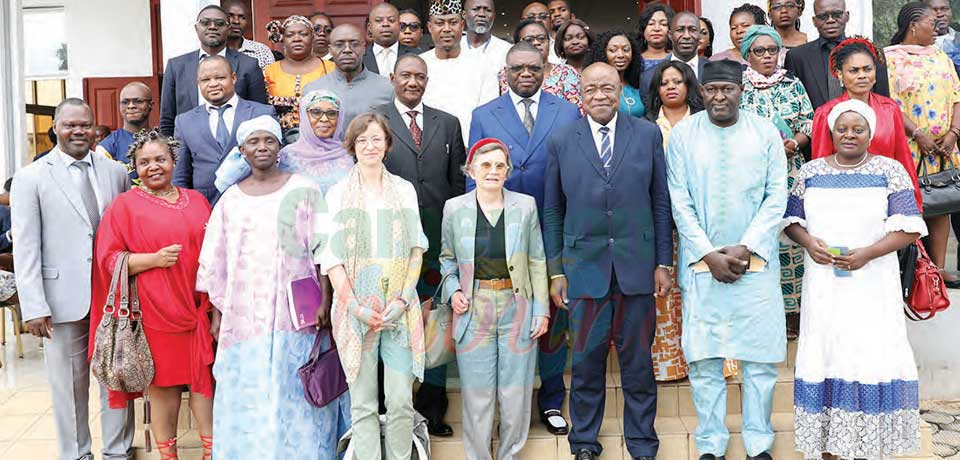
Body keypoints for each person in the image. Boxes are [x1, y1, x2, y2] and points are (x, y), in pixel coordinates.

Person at [197, 116, 349, 459]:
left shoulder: (304, 189)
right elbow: (215, 263)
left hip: (296, 314)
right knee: (247, 392)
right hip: (244, 316)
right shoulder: (230, 201)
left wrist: (326, 299)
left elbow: (325, 246)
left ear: (280, 147)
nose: (262, 147)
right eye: (254, 142)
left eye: (269, 141)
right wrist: (218, 315)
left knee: (294, 388)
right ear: (242, 151)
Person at [544, 62, 672, 460]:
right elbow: (552, 209)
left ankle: (642, 444)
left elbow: (660, 202)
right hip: (584, 269)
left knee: (637, 363)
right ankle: (583, 442)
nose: (600, 95)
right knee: (585, 362)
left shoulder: (647, 134)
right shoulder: (562, 139)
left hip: (637, 267)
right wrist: (556, 269)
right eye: (591, 89)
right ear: (579, 94)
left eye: (607, 88)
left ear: (621, 91)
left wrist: (663, 263)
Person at [784, 100, 924, 460]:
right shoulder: (810, 172)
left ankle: (869, 446)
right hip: (824, 284)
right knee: (826, 353)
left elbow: (910, 228)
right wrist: (809, 243)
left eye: (858, 129)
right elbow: (791, 222)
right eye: (842, 128)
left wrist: (868, 253)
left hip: (873, 284)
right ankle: (827, 447)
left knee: (870, 354)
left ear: (870, 133)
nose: (849, 134)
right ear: (831, 132)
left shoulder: (889, 171)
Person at [666, 60, 788, 460]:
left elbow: (776, 197)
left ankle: (758, 443)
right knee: (704, 359)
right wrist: (707, 253)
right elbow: (678, 200)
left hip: (755, 263)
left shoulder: (765, 132)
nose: (719, 97)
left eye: (727, 89)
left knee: (759, 360)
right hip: (702, 266)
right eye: (712, 90)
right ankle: (711, 444)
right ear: (700, 92)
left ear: (741, 91)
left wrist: (746, 246)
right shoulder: (684, 135)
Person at [12, 98, 134, 460]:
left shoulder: (116, 173)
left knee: (116, 376)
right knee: (69, 384)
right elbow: (27, 246)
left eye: (86, 124)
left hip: (113, 295)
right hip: (61, 297)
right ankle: (77, 454)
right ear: (55, 128)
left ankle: (117, 451)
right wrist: (33, 305)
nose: (78, 131)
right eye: (70, 125)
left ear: (96, 127)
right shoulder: (31, 176)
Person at [472, 41, 581, 437]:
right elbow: (475, 173)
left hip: (555, 225)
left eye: (533, 68)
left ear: (546, 69)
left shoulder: (567, 111)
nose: (525, 74)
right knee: (507, 316)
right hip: (501, 230)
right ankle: (506, 405)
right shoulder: (484, 114)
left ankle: (552, 400)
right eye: (516, 68)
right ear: (506, 71)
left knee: (552, 312)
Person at [90, 130, 215, 460]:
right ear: (134, 167)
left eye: (160, 159)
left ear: (174, 161)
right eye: (144, 162)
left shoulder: (198, 200)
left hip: (198, 308)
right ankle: (168, 455)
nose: (153, 167)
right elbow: (108, 259)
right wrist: (153, 260)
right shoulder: (124, 206)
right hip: (153, 312)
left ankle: (211, 451)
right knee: (164, 386)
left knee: (205, 382)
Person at [322, 112, 427, 460]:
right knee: (363, 402)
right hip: (355, 309)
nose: (370, 145)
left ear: (387, 144)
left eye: (376, 139)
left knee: (400, 400)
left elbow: (416, 249)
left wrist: (401, 299)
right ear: (352, 146)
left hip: (399, 308)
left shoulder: (404, 190)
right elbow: (331, 258)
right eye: (362, 140)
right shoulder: (337, 193)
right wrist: (356, 306)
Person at [439, 138, 549, 460]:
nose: (493, 171)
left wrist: (541, 311)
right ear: (471, 170)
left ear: (508, 171)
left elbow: (537, 261)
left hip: (517, 307)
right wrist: (454, 291)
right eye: (485, 165)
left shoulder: (525, 205)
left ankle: (509, 455)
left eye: (500, 165)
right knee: (478, 396)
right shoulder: (454, 208)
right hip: (474, 309)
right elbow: (446, 259)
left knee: (514, 395)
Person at [375, 54, 467, 437]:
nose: (413, 82)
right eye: (406, 76)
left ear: (427, 81)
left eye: (420, 77)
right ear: (393, 78)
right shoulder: (375, 120)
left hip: (435, 242)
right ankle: (387, 406)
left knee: (434, 321)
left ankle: (433, 408)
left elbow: (457, 185)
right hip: (389, 242)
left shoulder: (447, 122)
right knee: (387, 320)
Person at [739, 25, 815, 322]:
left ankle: (794, 315)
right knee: (760, 237)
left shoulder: (793, 84)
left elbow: (809, 121)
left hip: (791, 171)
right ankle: (764, 312)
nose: (768, 56)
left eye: (773, 50)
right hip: (753, 176)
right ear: (748, 55)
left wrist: (795, 143)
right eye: (760, 51)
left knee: (792, 236)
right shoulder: (738, 87)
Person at [886, 1, 960, 288]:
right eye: (932, 21)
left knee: (941, 203)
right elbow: (891, 103)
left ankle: (937, 272)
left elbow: (957, 96)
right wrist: (918, 133)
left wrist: (954, 132)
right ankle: (914, 272)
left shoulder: (940, 56)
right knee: (910, 207)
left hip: (944, 148)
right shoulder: (890, 59)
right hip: (910, 145)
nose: (938, 25)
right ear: (913, 26)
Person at [644, 60, 706, 383]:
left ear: (688, 87)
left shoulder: (707, 124)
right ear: (656, 90)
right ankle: (669, 366)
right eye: (664, 82)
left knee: (700, 289)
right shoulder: (646, 126)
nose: (671, 87)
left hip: (701, 219)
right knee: (666, 290)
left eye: (678, 81)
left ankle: (708, 362)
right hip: (660, 218)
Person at [809, 39, 917, 197]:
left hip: (887, 195)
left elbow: (903, 159)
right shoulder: (826, 114)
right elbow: (820, 166)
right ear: (839, 74)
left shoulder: (890, 109)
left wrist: (914, 205)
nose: (862, 76)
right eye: (854, 71)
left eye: (867, 69)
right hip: (842, 196)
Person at [172, 55, 277, 205]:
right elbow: (180, 175)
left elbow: (277, 162)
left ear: (233, 78)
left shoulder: (262, 113)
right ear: (198, 83)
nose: (213, 84)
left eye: (220, 77)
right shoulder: (184, 121)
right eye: (205, 80)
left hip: (256, 203)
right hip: (206, 206)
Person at [159, 5, 266, 136]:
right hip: (190, 149)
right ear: (196, 28)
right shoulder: (176, 66)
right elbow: (167, 119)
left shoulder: (249, 64)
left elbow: (260, 114)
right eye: (205, 22)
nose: (212, 27)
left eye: (219, 23)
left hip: (238, 147)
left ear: (228, 28)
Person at [784, 0, 892, 110]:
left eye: (837, 14)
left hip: (866, 124)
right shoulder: (797, 57)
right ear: (814, 21)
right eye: (823, 16)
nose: (830, 20)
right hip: (815, 124)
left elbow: (883, 102)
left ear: (847, 16)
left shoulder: (869, 52)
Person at [420, 0, 499, 146]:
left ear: (462, 25)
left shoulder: (483, 63)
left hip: (471, 147)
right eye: (439, 23)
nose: (447, 29)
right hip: (429, 149)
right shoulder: (420, 64)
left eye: (453, 22)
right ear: (430, 27)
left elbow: (488, 113)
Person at [303, 24, 395, 128]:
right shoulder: (313, 90)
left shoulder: (387, 89)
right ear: (330, 50)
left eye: (354, 44)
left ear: (364, 48)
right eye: (339, 45)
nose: (347, 50)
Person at [263, 15, 336, 138]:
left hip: (323, 140)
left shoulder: (331, 68)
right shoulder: (269, 71)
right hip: (279, 142)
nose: (297, 38)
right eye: (290, 35)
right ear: (283, 39)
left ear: (312, 37)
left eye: (303, 34)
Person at [499, 19, 583, 112]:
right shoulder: (505, 75)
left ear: (549, 43)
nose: (536, 43)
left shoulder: (566, 73)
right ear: (516, 45)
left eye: (541, 38)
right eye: (529, 40)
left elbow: (576, 113)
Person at [280, 89, 356, 192]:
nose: (324, 119)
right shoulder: (286, 157)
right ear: (304, 115)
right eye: (316, 112)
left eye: (332, 113)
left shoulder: (350, 153)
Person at [586, 30, 645, 117]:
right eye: (613, 50)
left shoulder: (640, 84)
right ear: (603, 54)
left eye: (626, 50)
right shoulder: (593, 88)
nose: (621, 55)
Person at [96, 82, 153, 168]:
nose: (131, 106)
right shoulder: (107, 147)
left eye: (138, 101)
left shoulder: (165, 141)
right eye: (125, 102)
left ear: (150, 105)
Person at [710, 4, 776, 65]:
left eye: (745, 25)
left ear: (760, 27)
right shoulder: (717, 60)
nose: (739, 31)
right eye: (733, 28)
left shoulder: (778, 56)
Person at [363, 3, 419, 75]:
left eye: (391, 20)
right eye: (379, 20)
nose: (385, 24)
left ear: (399, 25)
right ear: (370, 27)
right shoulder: (359, 58)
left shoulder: (418, 55)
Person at [462, 0, 512, 73]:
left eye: (488, 10)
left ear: (494, 16)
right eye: (476, 9)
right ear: (464, 14)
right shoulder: (451, 47)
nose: (482, 14)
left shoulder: (506, 50)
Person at [223, 0, 275, 69]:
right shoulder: (213, 51)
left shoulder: (262, 51)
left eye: (242, 17)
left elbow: (270, 78)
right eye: (230, 16)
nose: (236, 21)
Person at [638, 3, 675, 98]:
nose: (656, 28)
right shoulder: (635, 58)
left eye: (663, 24)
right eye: (651, 23)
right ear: (643, 29)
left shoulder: (677, 57)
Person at [670, 12, 707, 79]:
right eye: (680, 30)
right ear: (670, 35)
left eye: (692, 30)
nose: (686, 36)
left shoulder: (714, 70)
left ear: (699, 34)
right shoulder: (651, 74)